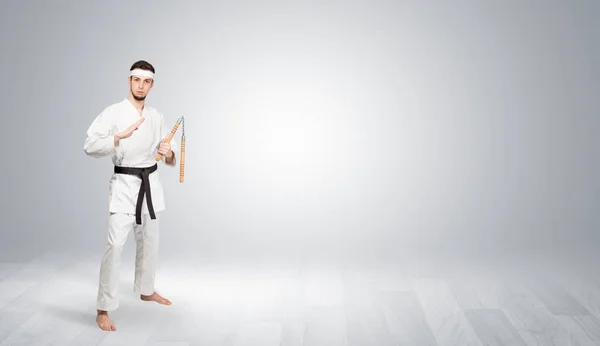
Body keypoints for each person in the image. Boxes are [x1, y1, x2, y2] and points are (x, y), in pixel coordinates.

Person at [83, 60, 177, 331]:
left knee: (150, 242)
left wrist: (169, 152)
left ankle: (147, 290)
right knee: (114, 248)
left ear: (152, 85)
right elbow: (89, 145)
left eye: (146, 81)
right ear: (129, 81)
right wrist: (117, 137)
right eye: (137, 80)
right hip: (125, 185)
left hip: (151, 184)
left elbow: (168, 158)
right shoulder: (113, 113)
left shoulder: (157, 116)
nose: (141, 85)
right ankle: (103, 308)